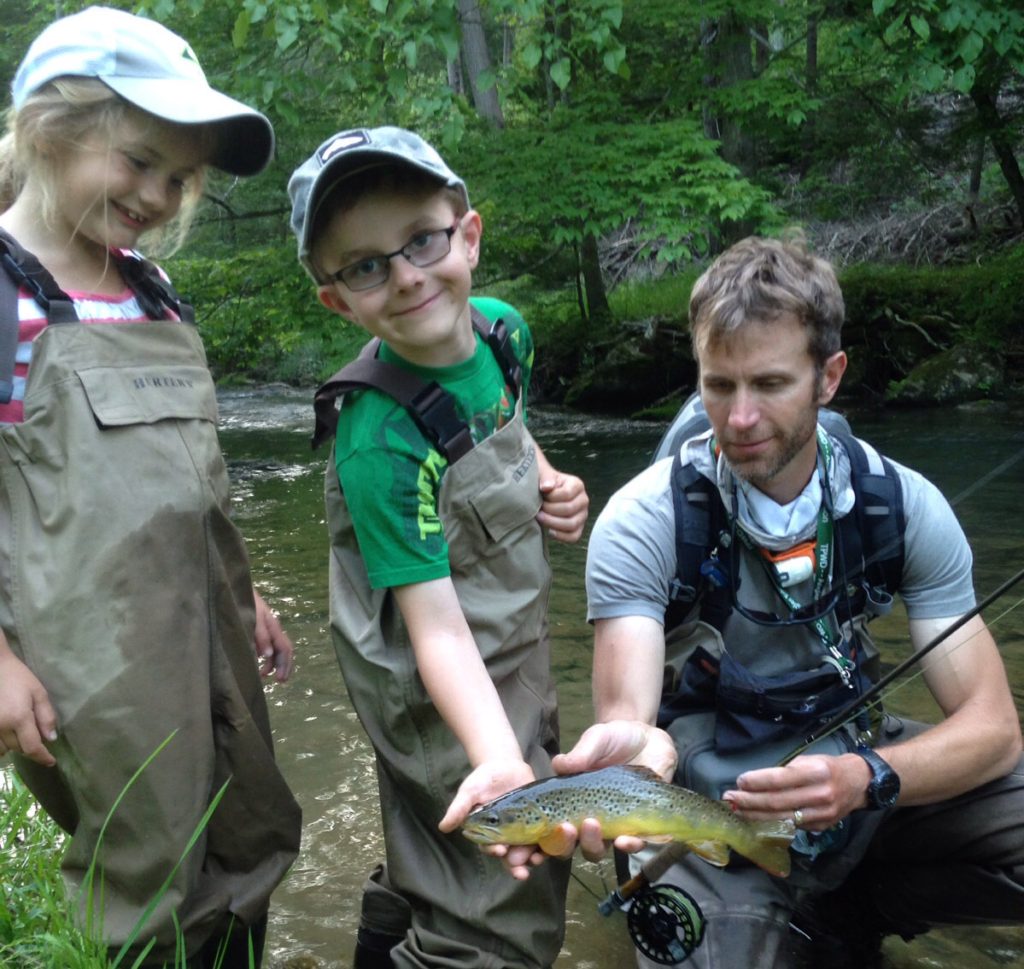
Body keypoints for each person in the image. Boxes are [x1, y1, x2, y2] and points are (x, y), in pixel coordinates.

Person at [538, 235, 1024, 968]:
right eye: (718, 384)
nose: (737, 418)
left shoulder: (902, 506)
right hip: (707, 808)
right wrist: (633, 754)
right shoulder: (645, 520)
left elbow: (994, 729)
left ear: (828, 377)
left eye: (768, 384)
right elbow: (627, 715)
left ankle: (857, 903)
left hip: (862, 780)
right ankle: (789, 917)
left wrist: (868, 779)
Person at [0, 8, 301, 968]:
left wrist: (243, 593)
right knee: (146, 860)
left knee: (252, 821)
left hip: (204, 621)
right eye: (138, 160)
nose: (161, 193)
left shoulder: (153, 288)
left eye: (180, 177)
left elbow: (194, 476)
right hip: (92, 652)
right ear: (49, 128)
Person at [287, 125, 589, 968]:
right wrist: (495, 756)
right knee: (503, 899)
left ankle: (386, 945)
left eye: (421, 239)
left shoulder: (502, 333)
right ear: (337, 300)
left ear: (469, 234)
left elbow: (510, 431)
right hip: (434, 674)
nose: (409, 275)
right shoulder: (380, 444)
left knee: (441, 848)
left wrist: (551, 481)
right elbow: (437, 632)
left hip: (510, 638)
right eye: (366, 265)